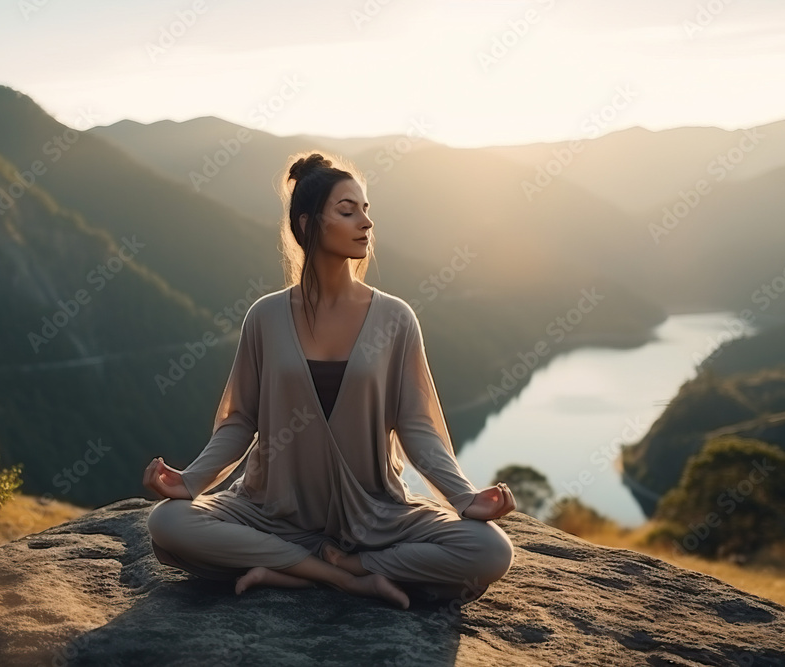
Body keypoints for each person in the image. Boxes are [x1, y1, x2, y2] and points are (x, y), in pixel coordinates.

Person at [144, 152, 516, 610]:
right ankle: (343, 578)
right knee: (168, 522)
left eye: (366, 210)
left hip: (374, 518)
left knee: (492, 549)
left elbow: (417, 427)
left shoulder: (396, 318)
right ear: (308, 224)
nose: (366, 222)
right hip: (269, 511)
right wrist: (189, 482)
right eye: (347, 210)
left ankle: (310, 568)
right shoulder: (264, 317)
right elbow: (240, 420)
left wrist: (464, 497)